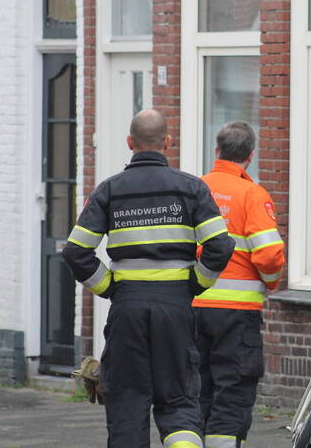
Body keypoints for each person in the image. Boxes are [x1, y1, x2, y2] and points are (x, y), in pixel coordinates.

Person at [63, 109, 235, 448]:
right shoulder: (191, 189)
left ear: (130, 143)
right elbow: (220, 245)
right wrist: (195, 284)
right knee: (180, 400)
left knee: (127, 401)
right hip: (175, 307)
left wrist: (109, 287)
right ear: (168, 142)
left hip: (128, 307)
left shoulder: (109, 191)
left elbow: (76, 252)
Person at [194, 122, 286, 448]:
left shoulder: (195, 189)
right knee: (232, 387)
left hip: (192, 308)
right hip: (236, 314)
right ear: (251, 156)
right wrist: (271, 283)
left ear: (217, 151)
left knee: (196, 386)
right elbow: (270, 255)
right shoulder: (252, 195)